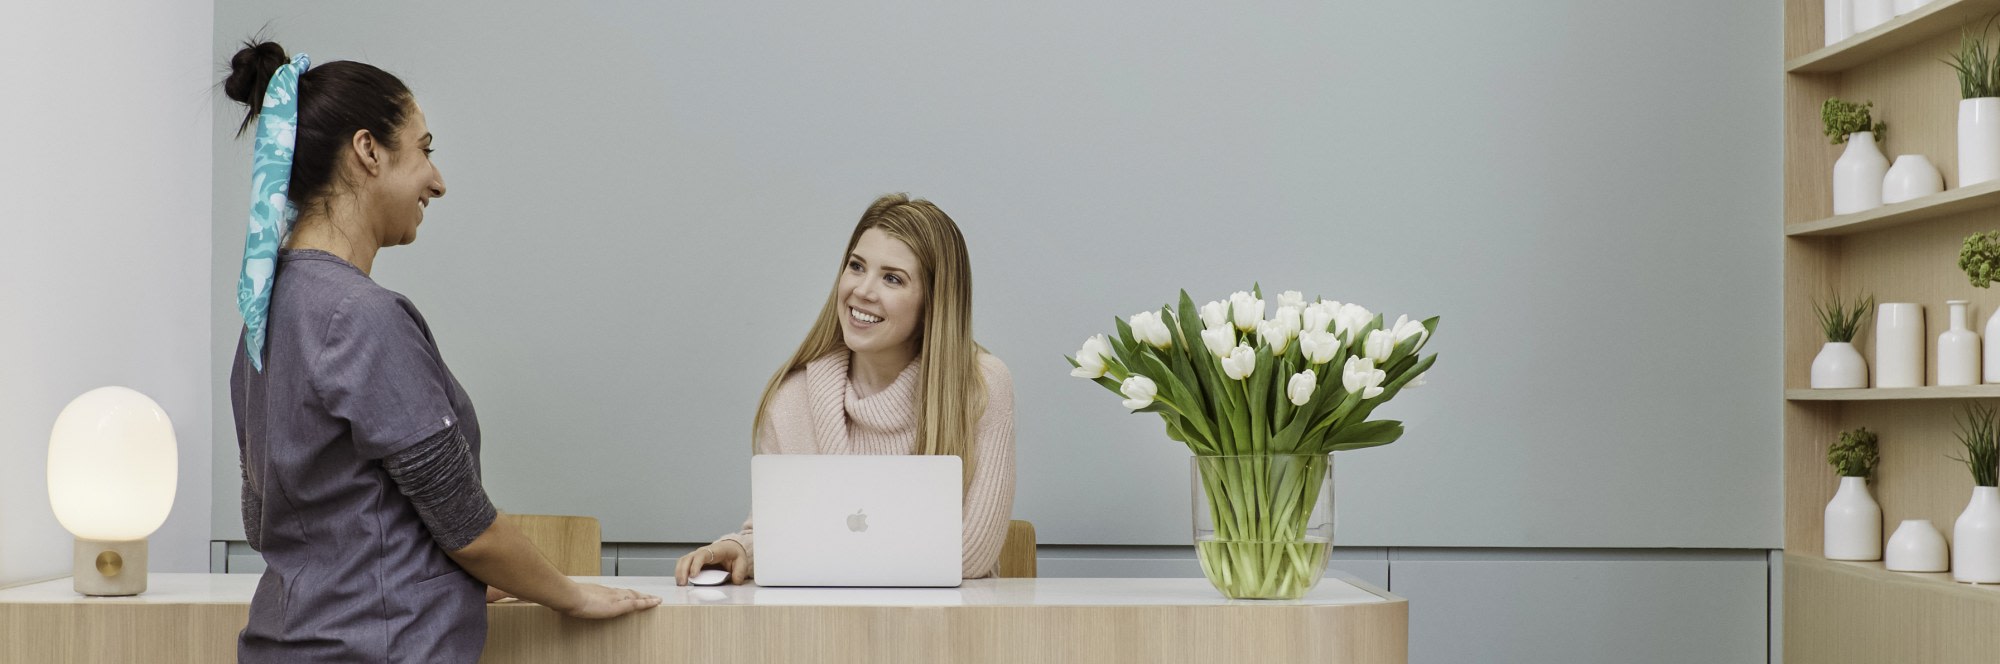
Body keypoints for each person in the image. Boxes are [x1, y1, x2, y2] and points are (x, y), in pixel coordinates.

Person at [223, 41, 657, 663]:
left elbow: (269, 515)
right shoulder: (362, 317)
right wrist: (571, 596)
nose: (438, 180)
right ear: (368, 151)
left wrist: (429, 580)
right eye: (424, 150)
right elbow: (466, 525)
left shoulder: (262, 310)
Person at [675, 194, 1016, 585]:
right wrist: (742, 550)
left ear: (934, 303)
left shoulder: (981, 386)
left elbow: (969, 557)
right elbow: (780, 533)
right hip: (826, 629)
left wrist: (816, 551)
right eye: (857, 267)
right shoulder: (792, 398)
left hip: (943, 630)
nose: (863, 291)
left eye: (892, 278)